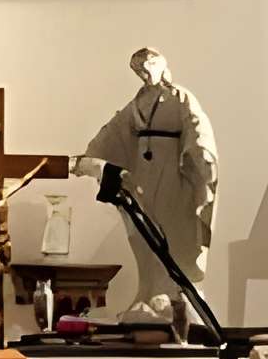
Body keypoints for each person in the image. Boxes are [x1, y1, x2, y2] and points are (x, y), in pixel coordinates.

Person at [85, 48, 218, 317]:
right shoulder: (139, 101)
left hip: (171, 172)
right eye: (139, 70)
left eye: (147, 68)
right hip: (143, 173)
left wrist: (202, 157)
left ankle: (171, 296)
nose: (144, 74)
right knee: (141, 231)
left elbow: (196, 127)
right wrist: (93, 156)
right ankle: (148, 292)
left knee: (169, 230)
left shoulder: (179, 96)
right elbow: (117, 129)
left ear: (159, 66)